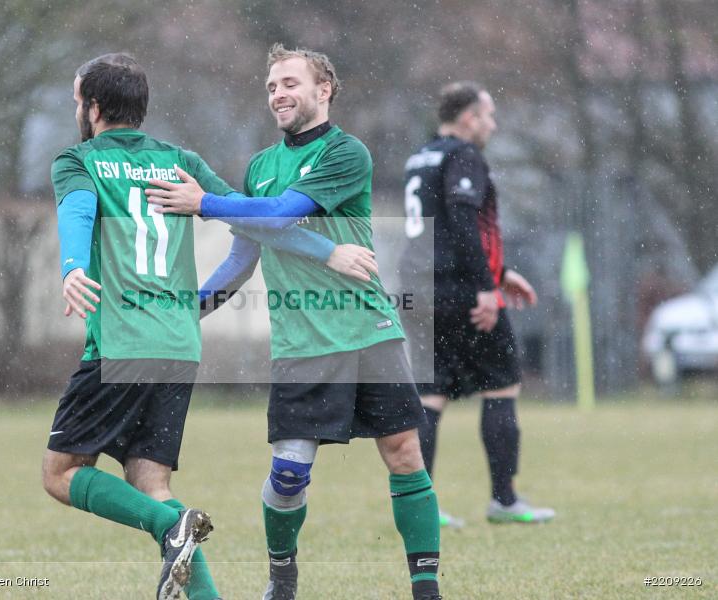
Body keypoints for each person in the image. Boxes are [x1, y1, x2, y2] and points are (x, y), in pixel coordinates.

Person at [42, 52, 378, 600]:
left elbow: (77, 213)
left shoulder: (78, 160)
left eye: (78, 99)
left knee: (60, 474)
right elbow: (250, 217)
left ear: (95, 108)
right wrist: (328, 251)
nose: (76, 109)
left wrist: (73, 267)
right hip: (179, 343)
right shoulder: (180, 161)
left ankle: (168, 527)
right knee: (151, 483)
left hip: (123, 344)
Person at [147, 44, 442, 600]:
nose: (278, 95)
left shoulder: (346, 152)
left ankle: (426, 589)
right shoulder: (260, 167)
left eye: (289, 83)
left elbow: (284, 215)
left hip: (368, 330)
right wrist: (191, 310)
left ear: (323, 89)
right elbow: (242, 257)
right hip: (301, 344)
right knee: (288, 478)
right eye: (271, 87)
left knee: (404, 453)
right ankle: (283, 578)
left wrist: (206, 202)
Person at [397, 81, 555, 527]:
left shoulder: (420, 156)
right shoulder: (463, 155)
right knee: (501, 383)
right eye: (488, 115)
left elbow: (442, 228)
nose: (493, 124)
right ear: (468, 118)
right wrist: (488, 287)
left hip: (418, 286)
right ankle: (504, 500)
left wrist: (502, 273)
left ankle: (421, 508)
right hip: (460, 290)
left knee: (430, 395)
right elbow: (464, 220)